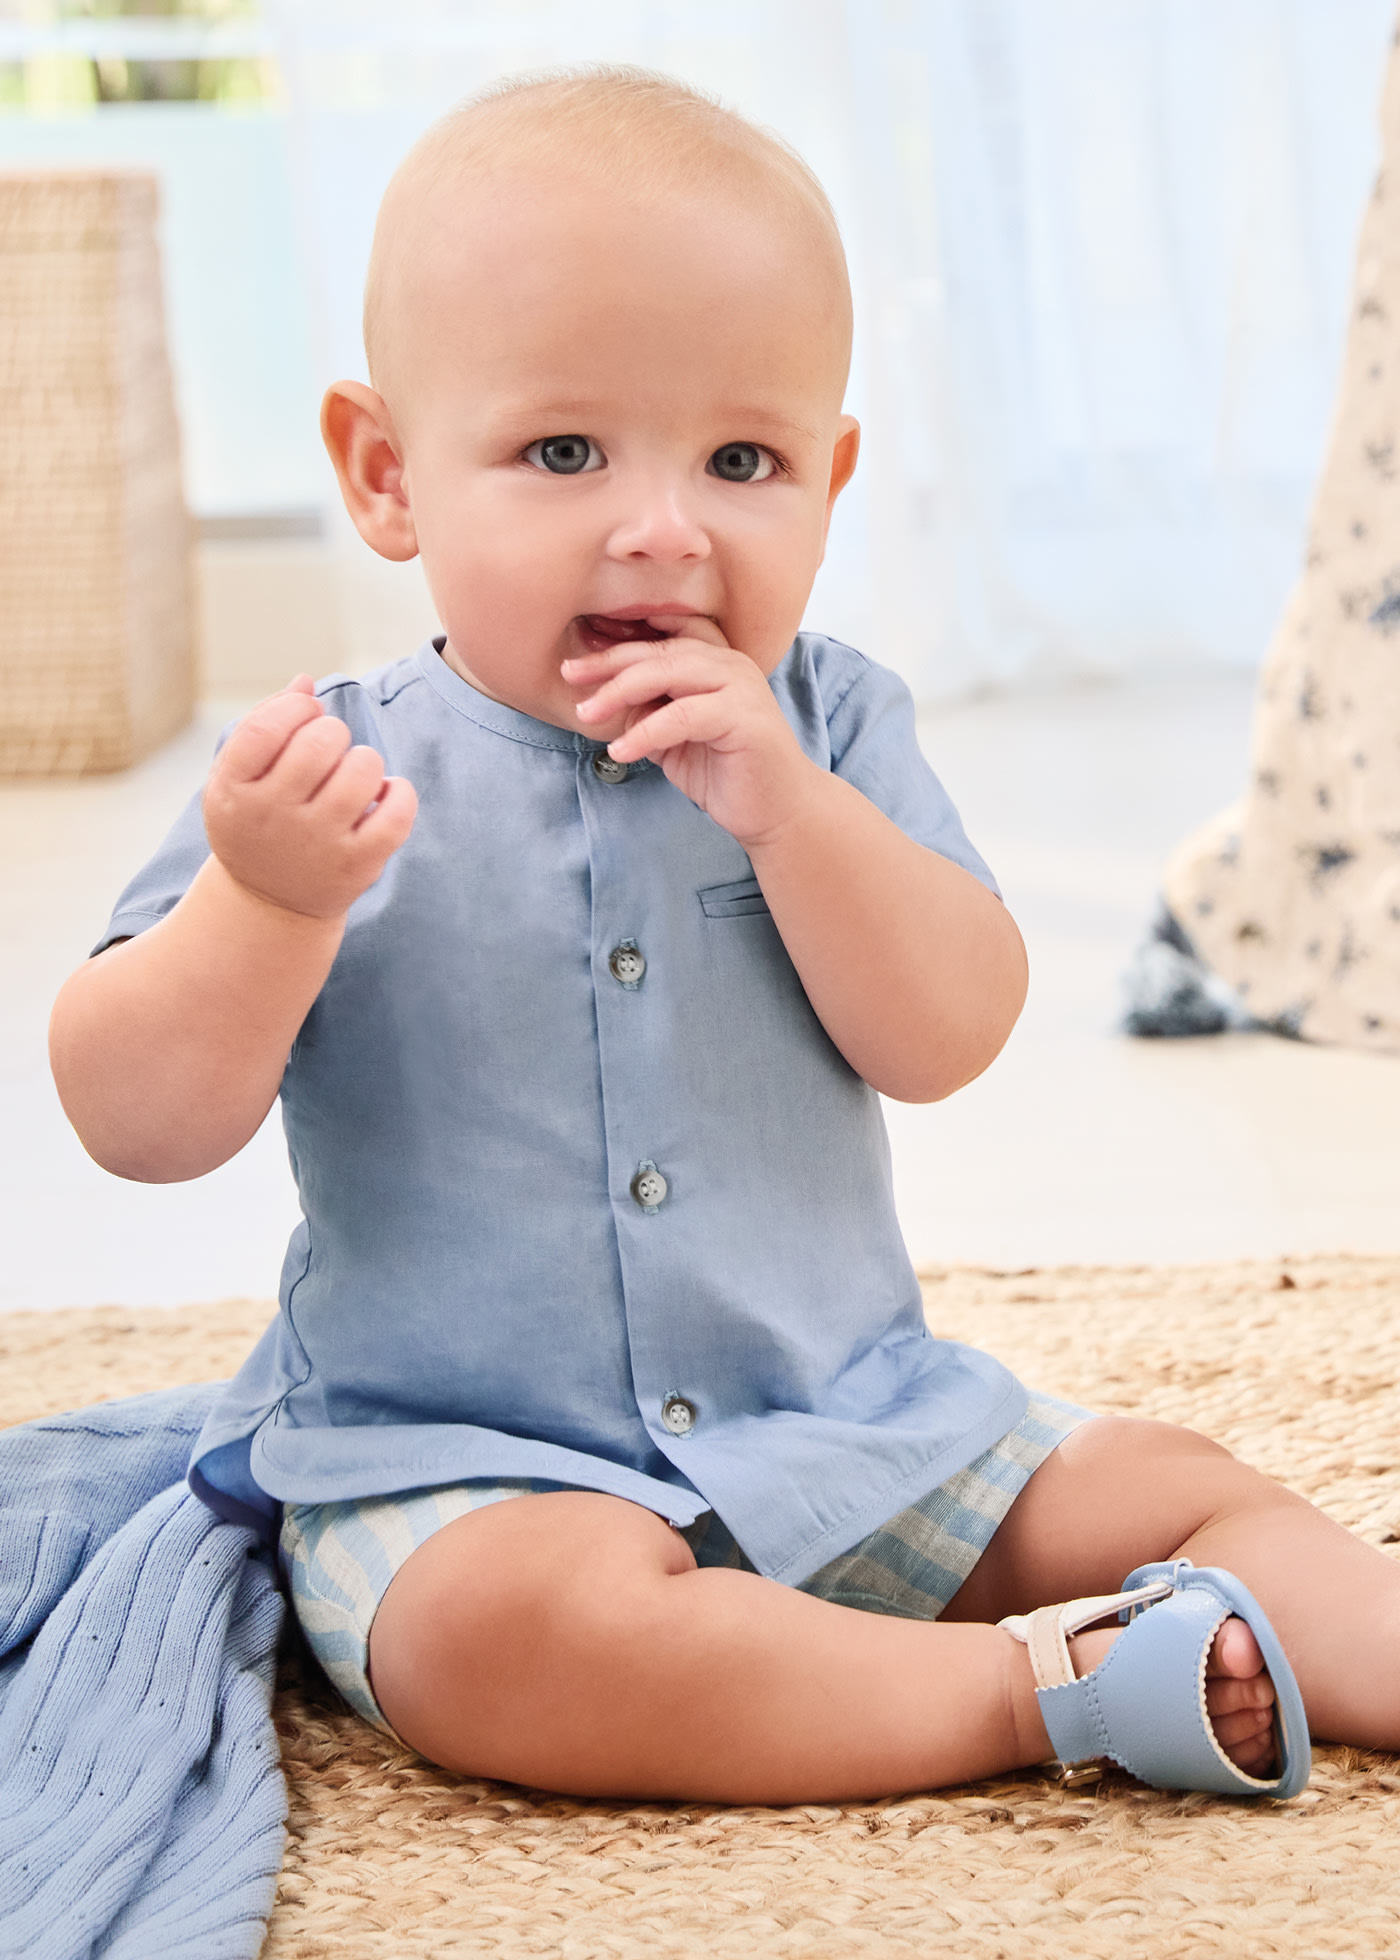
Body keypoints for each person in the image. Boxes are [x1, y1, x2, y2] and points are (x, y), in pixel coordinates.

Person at [49, 68, 1400, 1806]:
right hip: (475, 1474)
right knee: (512, 1647)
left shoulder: (831, 729)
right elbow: (132, 1121)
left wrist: (793, 820)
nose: (666, 526)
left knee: (1185, 1487)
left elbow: (952, 1030)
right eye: (562, 451)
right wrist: (265, 905)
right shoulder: (325, 776)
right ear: (386, 476)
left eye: (743, 459)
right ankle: (1020, 1694)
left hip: (856, 1425)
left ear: (832, 483)